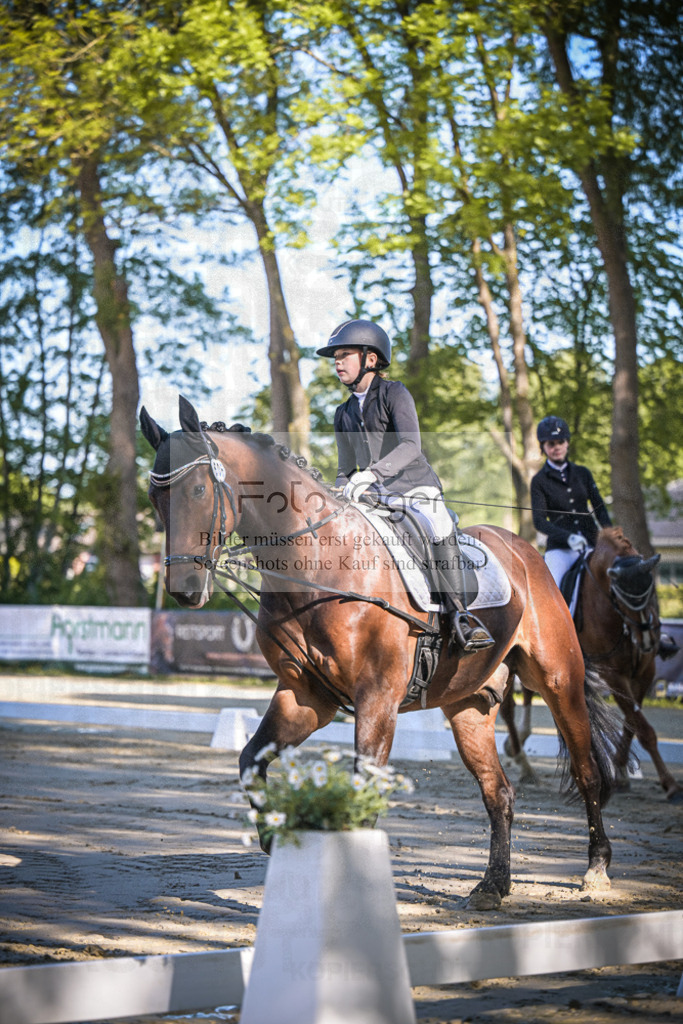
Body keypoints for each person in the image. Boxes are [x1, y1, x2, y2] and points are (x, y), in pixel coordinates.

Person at [316, 319, 494, 656]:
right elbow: (343, 468)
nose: (337, 362)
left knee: (437, 524)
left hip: (415, 488)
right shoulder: (342, 413)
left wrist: (372, 474)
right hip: (373, 496)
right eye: (335, 357)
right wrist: (341, 489)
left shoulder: (394, 393)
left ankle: (462, 616)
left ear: (370, 358)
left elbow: (411, 446)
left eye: (344, 355)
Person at [531, 415, 612, 607]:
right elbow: (540, 521)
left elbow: (599, 507)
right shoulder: (539, 481)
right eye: (551, 444)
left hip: (592, 544)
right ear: (543, 447)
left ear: (567, 444)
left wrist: (609, 535)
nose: (556, 447)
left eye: (560, 442)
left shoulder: (583, 473)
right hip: (561, 549)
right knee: (552, 594)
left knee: (619, 582)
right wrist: (568, 537)